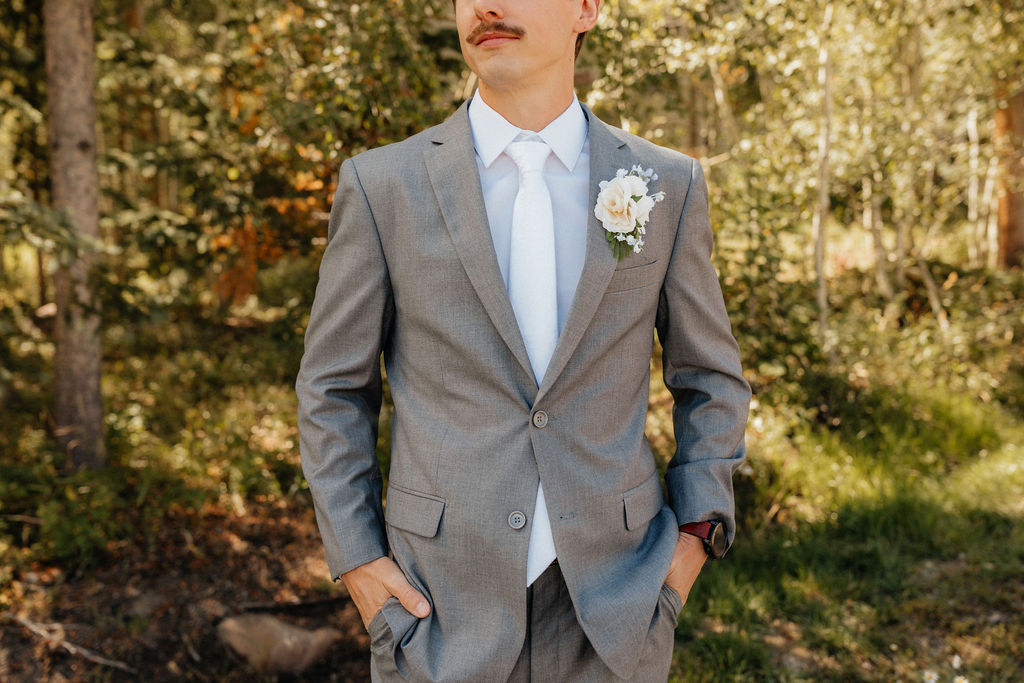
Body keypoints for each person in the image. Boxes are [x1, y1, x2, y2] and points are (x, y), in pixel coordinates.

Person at [296, 0, 750, 680]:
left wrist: (692, 540)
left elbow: (711, 377)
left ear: (588, 8)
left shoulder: (665, 183)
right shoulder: (381, 185)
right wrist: (358, 559)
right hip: (437, 614)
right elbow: (331, 388)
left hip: (618, 611)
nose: (487, 6)